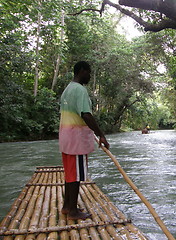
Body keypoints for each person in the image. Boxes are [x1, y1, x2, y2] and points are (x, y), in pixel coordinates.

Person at [59, 61, 109, 220]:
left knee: (70, 174)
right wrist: (101, 134)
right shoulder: (79, 90)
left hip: (66, 138)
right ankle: (73, 211)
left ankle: (67, 206)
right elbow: (86, 114)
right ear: (82, 71)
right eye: (88, 72)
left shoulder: (68, 89)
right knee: (76, 176)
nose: (89, 75)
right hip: (76, 141)